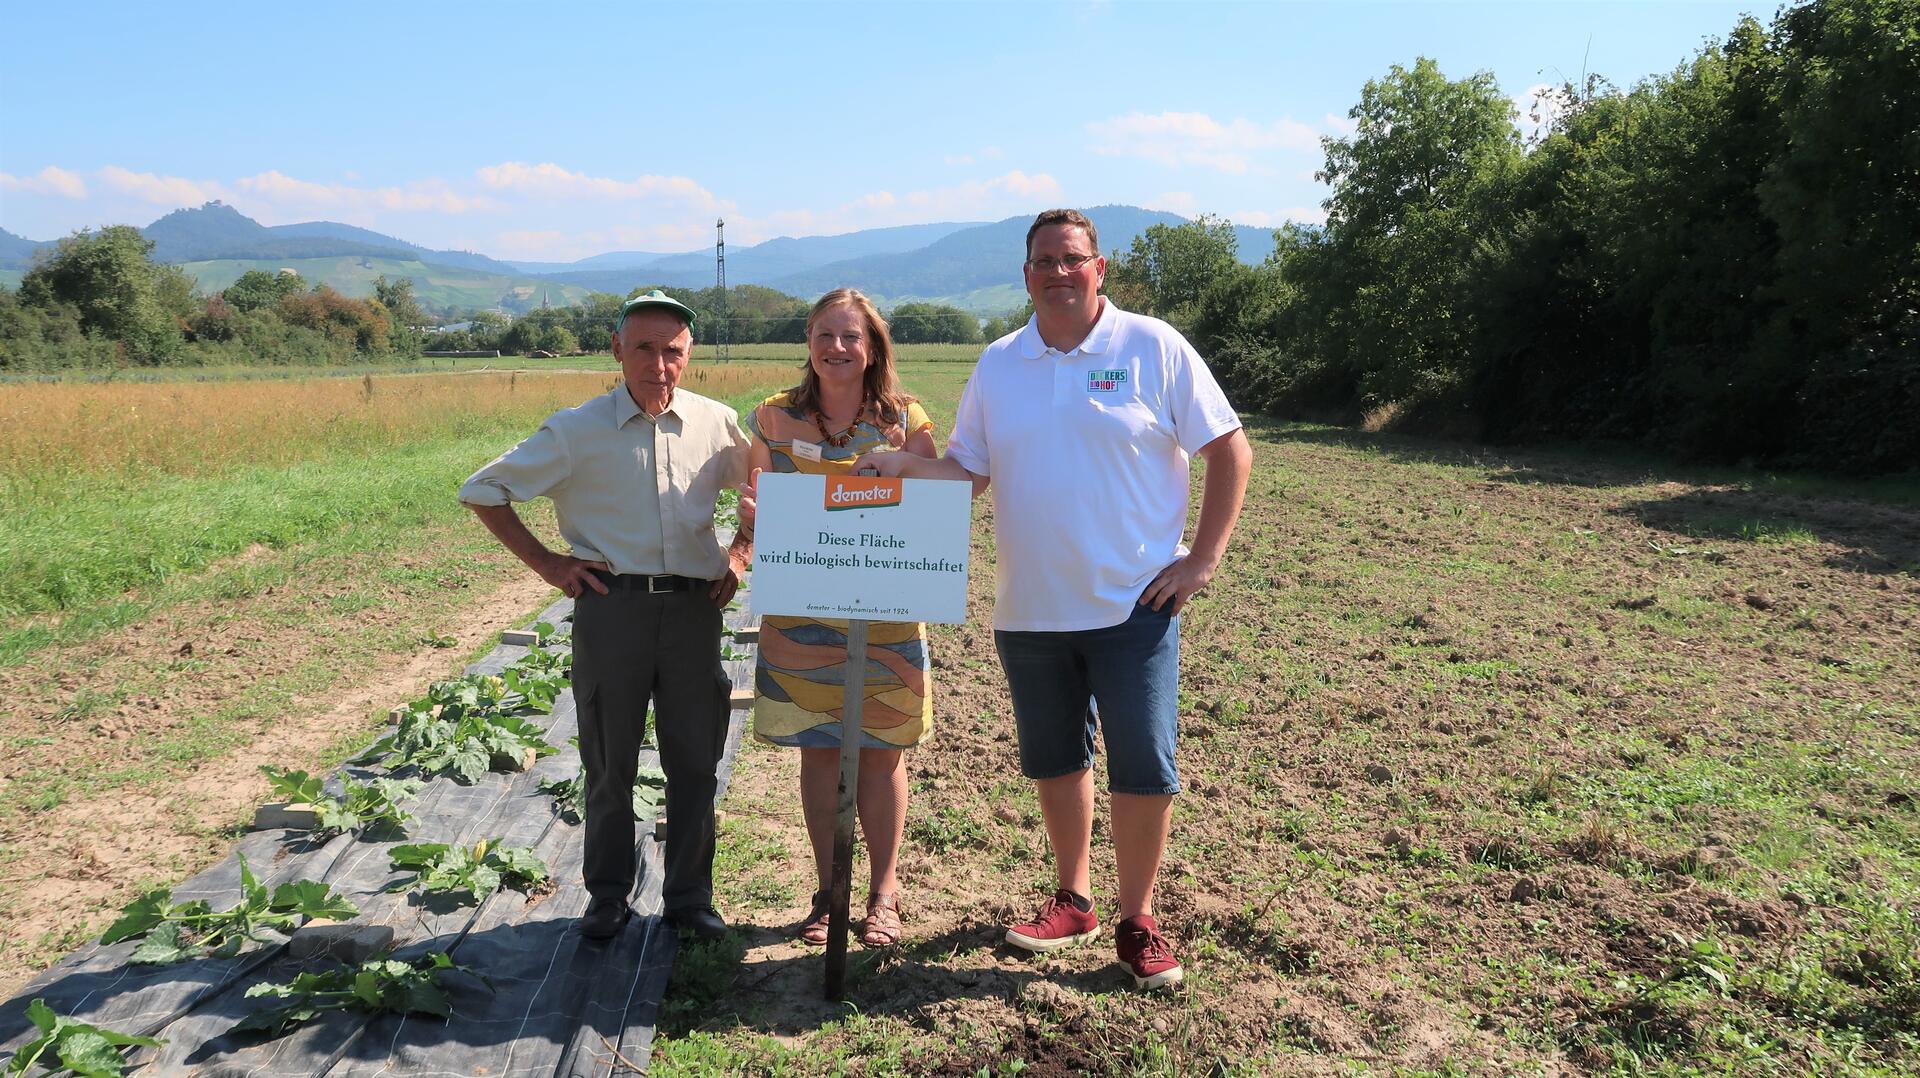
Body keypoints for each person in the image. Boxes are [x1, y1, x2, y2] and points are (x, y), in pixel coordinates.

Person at [859, 209, 1251, 989]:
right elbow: (971, 472)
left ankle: (1138, 920)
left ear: (1098, 268)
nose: (1059, 272)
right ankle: (1074, 899)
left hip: (1133, 606)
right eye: (1044, 261)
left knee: (1142, 764)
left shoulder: (1153, 346)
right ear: (1026, 272)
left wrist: (1202, 561)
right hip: (1030, 607)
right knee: (1055, 760)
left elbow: (1229, 449)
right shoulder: (1001, 363)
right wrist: (899, 469)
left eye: (1073, 259)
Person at [459, 289, 752, 943]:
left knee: (695, 761)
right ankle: (608, 896)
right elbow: (482, 490)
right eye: (643, 348)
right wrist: (550, 566)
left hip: (694, 612)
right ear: (616, 348)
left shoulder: (716, 424)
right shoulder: (577, 430)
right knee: (609, 760)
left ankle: (689, 899)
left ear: (689, 354)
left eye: (671, 351)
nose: (658, 364)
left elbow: (768, 484)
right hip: (610, 609)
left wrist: (740, 552)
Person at [744, 289, 937, 948]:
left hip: (885, 617)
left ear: (874, 346)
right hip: (801, 615)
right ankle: (829, 890)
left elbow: (937, 505)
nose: (837, 348)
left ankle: (883, 892)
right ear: (808, 341)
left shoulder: (906, 420)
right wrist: (750, 522)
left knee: (882, 757)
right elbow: (752, 499)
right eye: (825, 335)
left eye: (851, 336)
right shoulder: (772, 418)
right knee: (819, 755)